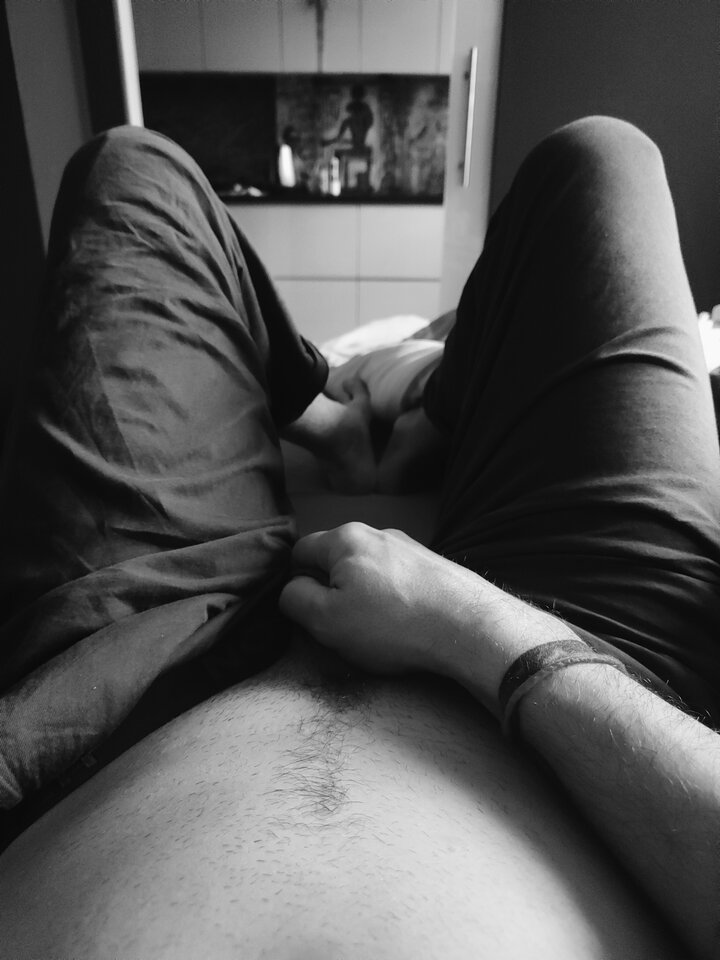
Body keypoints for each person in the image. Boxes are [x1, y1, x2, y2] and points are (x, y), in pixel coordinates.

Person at [0, 116, 719, 959]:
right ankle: (414, 416)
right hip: (596, 709)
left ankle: (357, 410)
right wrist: (475, 630)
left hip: (126, 693)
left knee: (132, 172)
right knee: (600, 162)